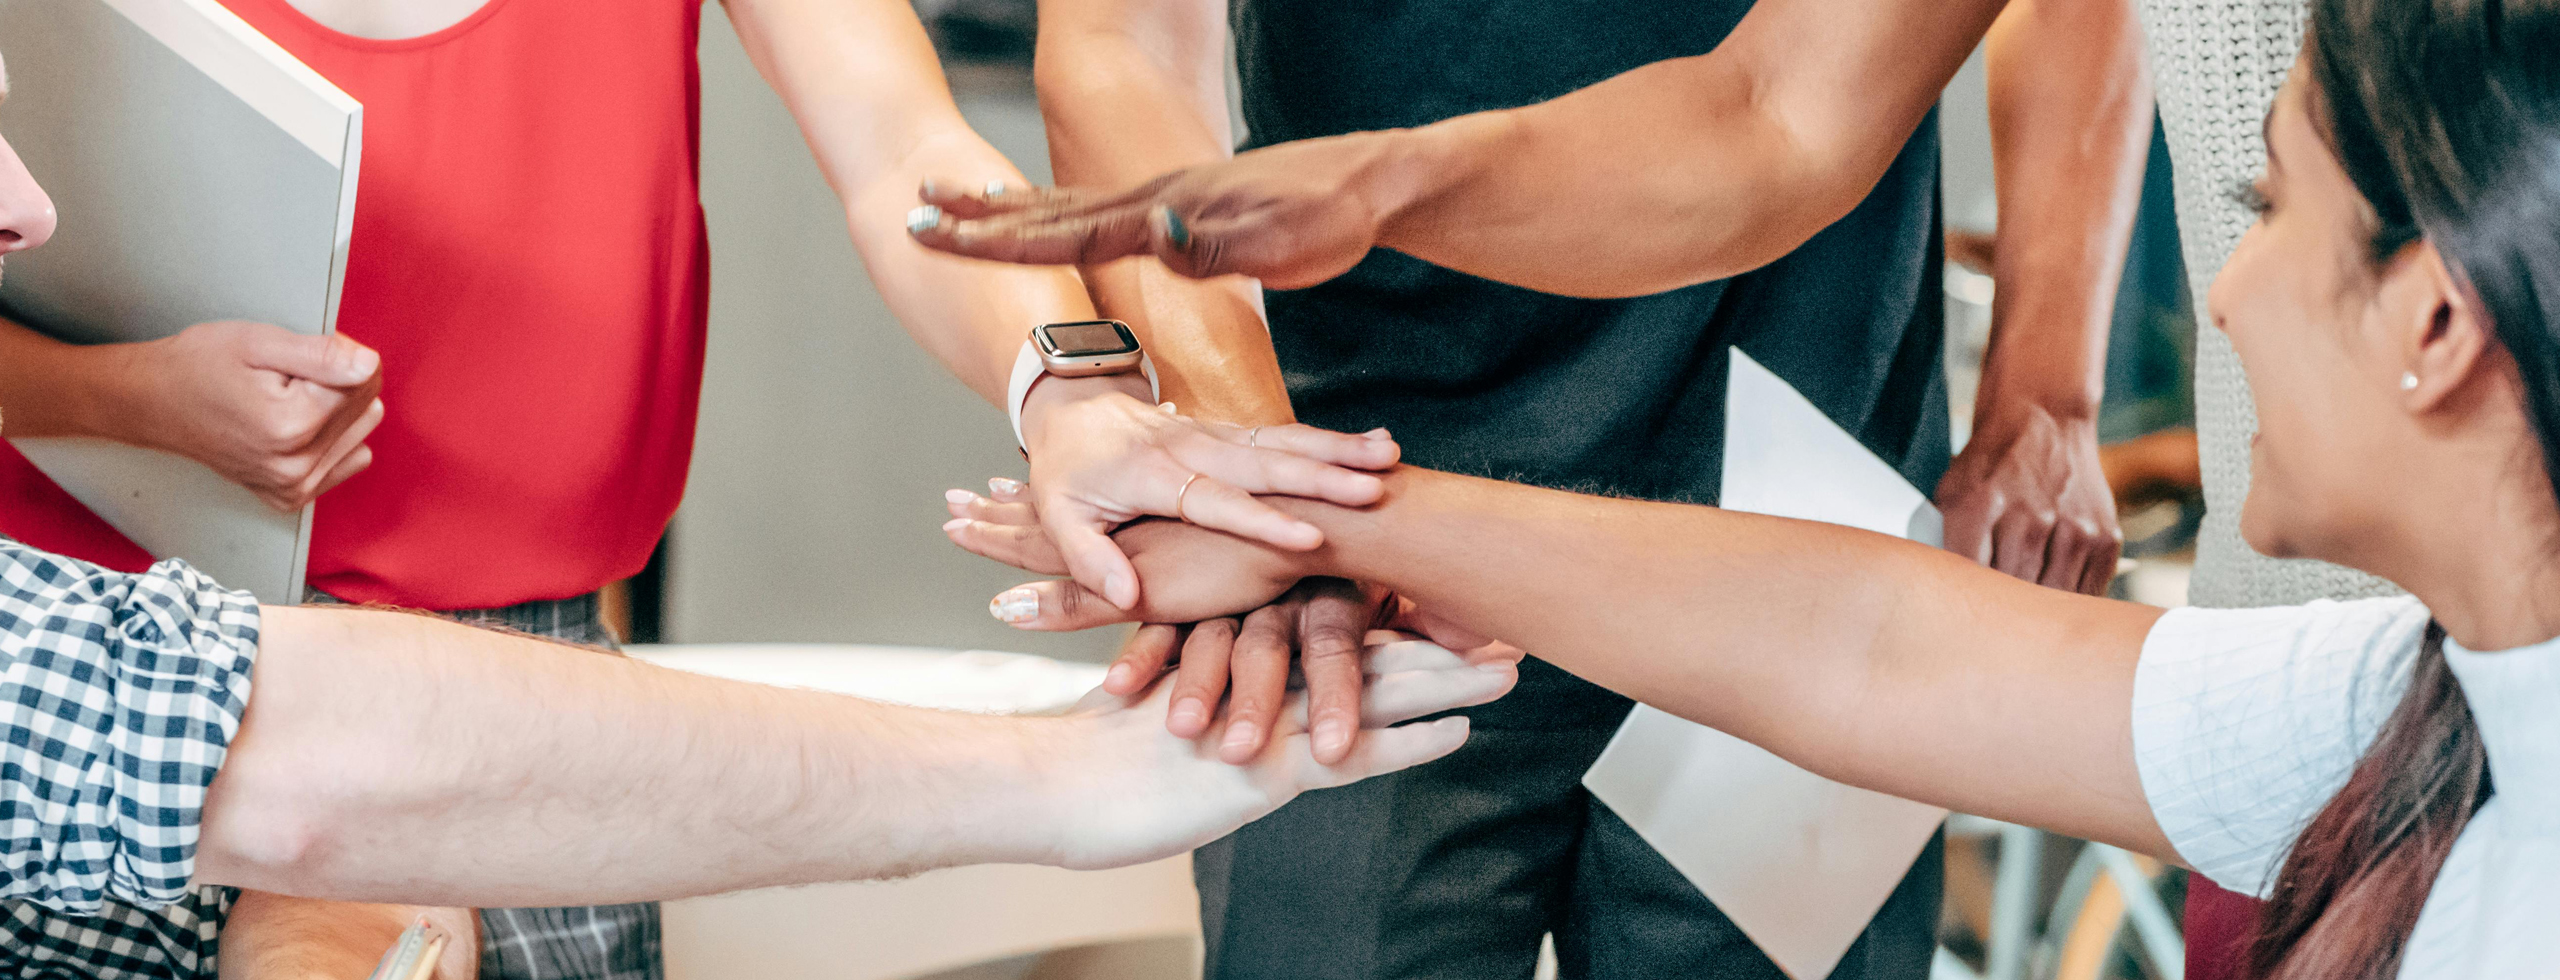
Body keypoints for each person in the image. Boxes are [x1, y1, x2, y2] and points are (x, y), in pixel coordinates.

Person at [948, 0, 2560, 975]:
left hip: (1812, 460)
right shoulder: (2335, 713)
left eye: (2259, 208)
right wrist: (1266, 483)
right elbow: (1118, 50)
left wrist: (2047, 380)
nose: (2218, 290)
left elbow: (1788, 122)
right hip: (1376, 455)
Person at [0, 0, 1402, 976]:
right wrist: (114, 398)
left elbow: (905, 156)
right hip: (88, 677)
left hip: (520, 684)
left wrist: (1073, 392)